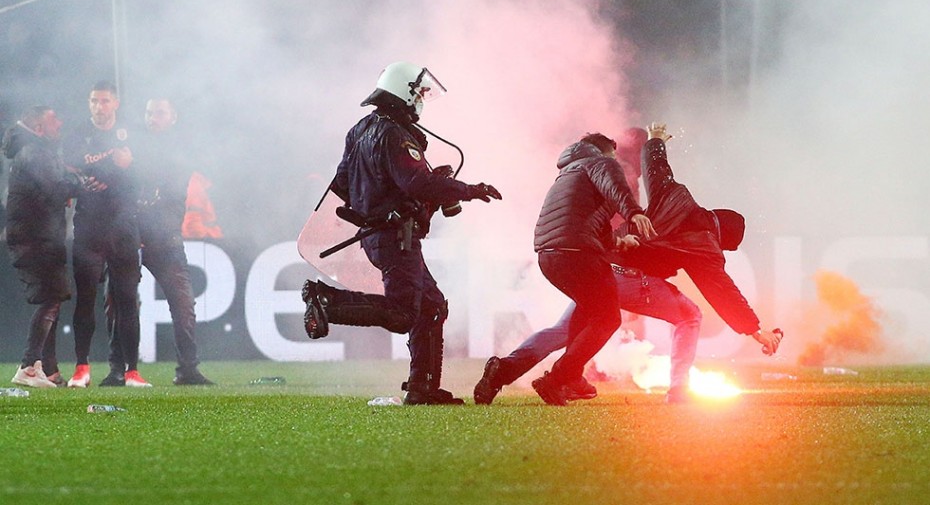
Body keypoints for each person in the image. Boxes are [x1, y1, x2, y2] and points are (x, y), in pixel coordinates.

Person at [475, 122, 781, 405]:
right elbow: (721, 290)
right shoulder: (705, 246)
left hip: (601, 262)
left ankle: (506, 371)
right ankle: (677, 389)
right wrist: (754, 329)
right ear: (723, 237)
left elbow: (657, 171)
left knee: (567, 328)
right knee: (689, 315)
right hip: (629, 276)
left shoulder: (677, 195)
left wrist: (656, 140)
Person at [301, 61, 502, 405]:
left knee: (432, 306)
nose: (423, 98)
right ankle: (326, 301)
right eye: (420, 92)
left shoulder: (360, 129)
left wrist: (375, 207)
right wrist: (467, 189)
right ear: (405, 91)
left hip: (379, 234)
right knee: (402, 313)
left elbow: (343, 185)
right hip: (396, 235)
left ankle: (423, 389)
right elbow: (418, 182)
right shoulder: (394, 132)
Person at [528, 132, 657, 406]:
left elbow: (586, 222)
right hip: (577, 253)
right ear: (605, 151)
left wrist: (619, 242)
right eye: (614, 154)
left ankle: (571, 379)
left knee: (587, 311)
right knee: (608, 318)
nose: (617, 160)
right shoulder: (601, 163)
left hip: (549, 255)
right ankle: (558, 378)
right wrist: (634, 212)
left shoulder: (568, 173)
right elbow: (616, 189)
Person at [103, 98, 214, 386]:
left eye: (160, 113)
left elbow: (165, 175)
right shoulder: (133, 142)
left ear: (173, 117)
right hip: (130, 234)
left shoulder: (180, 147)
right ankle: (118, 369)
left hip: (164, 238)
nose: (153, 117)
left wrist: (130, 164)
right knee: (118, 301)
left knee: (183, 302)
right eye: (149, 112)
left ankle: (188, 368)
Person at [63, 81, 150, 388]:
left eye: (104, 101)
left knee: (127, 298)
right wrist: (110, 170)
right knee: (85, 298)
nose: (99, 107)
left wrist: (124, 167)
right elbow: (70, 173)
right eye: (94, 101)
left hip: (123, 226)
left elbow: (143, 173)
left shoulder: (132, 134)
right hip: (88, 226)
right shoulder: (77, 134)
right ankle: (81, 367)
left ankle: (132, 371)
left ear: (115, 104)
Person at [4, 106, 84, 387]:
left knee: (52, 298)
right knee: (51, 298)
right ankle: (28, 366)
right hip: (36, 237)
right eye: (54, 119)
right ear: (39, 128)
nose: (60, 122)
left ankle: (47, 369)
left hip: (36, 235)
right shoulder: (35, 152)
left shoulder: (31, 151)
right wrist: (81, 183)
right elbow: (56, 188)